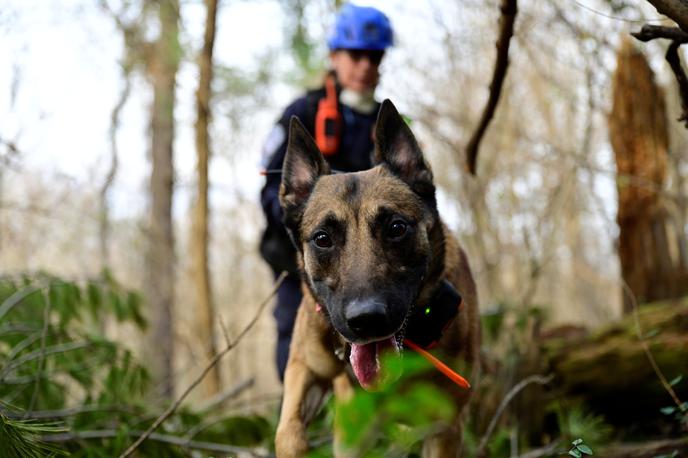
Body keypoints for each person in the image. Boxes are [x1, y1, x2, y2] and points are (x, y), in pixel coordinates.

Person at [259, 3, 394, 381]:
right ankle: (300, 413)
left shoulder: (385, 120)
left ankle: (367, 415)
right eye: (356, 55)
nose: (365, 65)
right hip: (297, 253)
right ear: (335, 56)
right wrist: (305, 228)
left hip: (366, 254)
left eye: (374, 56)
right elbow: (272, 187)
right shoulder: (300, 113)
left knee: (375, 324)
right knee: (296, 332)